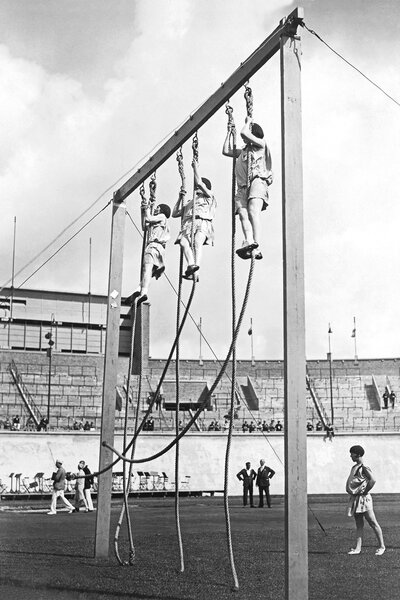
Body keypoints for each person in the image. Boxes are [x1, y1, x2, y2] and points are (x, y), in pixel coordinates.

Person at [223, 115, 273, 260]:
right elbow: (226, 151)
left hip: (257, 181)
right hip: (243, 187)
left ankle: (256, 245)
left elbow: (244, 133)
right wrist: (228, 132)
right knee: (243, 215)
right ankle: (249, 241)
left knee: (252, 211)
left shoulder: (261, 145)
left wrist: (248, 122)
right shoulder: (244, 152)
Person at [172, 159, 216, 280]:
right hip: (188, 224)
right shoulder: (190, 202)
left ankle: (196, 271)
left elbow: (199, 183)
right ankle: (191, 265)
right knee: (183, 242)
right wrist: (180, 198)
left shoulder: (209, 196)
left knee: (197, 242)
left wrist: (195, 168)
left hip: (202, 222)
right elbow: (175, 213)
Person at [346, 445, 385, 555]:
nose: (350, 456)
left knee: (373, 522)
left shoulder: (364, 467)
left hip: (364, 499)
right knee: (359, 524)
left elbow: (373, 480)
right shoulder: (354, 467)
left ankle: (382, 546)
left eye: (352, 453)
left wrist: (365, 491)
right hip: (356, 499)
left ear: (358, 454)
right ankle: (358, 549)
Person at [131, 200, 171, 304]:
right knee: (148, 273)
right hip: (160, 250)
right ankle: (139, 288)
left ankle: (143, 292)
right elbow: (145, 225)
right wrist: (143, 210)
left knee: (146, 269)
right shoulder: (157, 222)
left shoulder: (162, 217)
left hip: (153, 246)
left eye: (158, 207)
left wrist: (148, 209)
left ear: (161, 210)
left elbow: (149, 218)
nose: (156, 209)